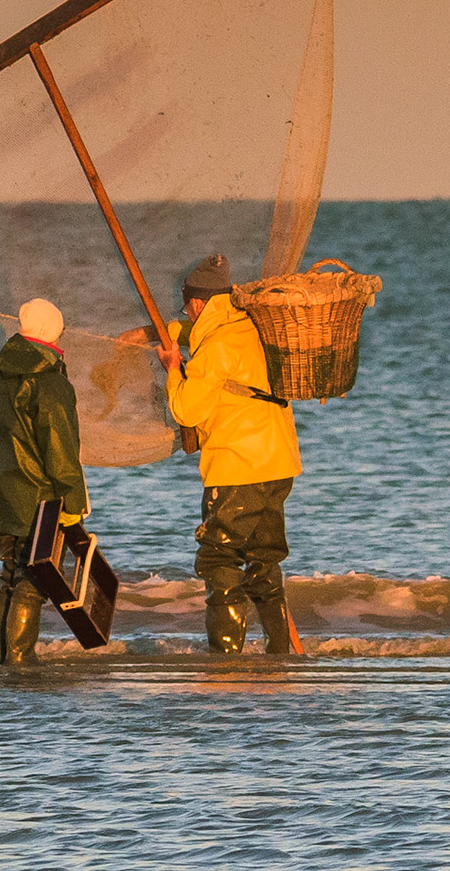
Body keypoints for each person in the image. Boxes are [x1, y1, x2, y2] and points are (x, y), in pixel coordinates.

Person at [157, 254, 303, 654]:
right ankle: (279, 651)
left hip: (237, 468)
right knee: (263, 559)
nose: (186, 312)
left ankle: (225, 660)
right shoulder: (252, 326)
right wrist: (164, 332)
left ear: (198, 304)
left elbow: (186, 409)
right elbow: (194, 333)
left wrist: (172, 368)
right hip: (279, 464)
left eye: (187, 305)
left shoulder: (216, 346)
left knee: (218, 558)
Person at [0, 298, 89, 666]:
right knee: (33, 580)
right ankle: (21, 660)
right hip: (41, 497)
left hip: (3, 495)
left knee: (10, 574)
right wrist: (73, 503)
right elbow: (61, 451)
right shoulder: (49, 382)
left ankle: (6, 659)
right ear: (54, 333)